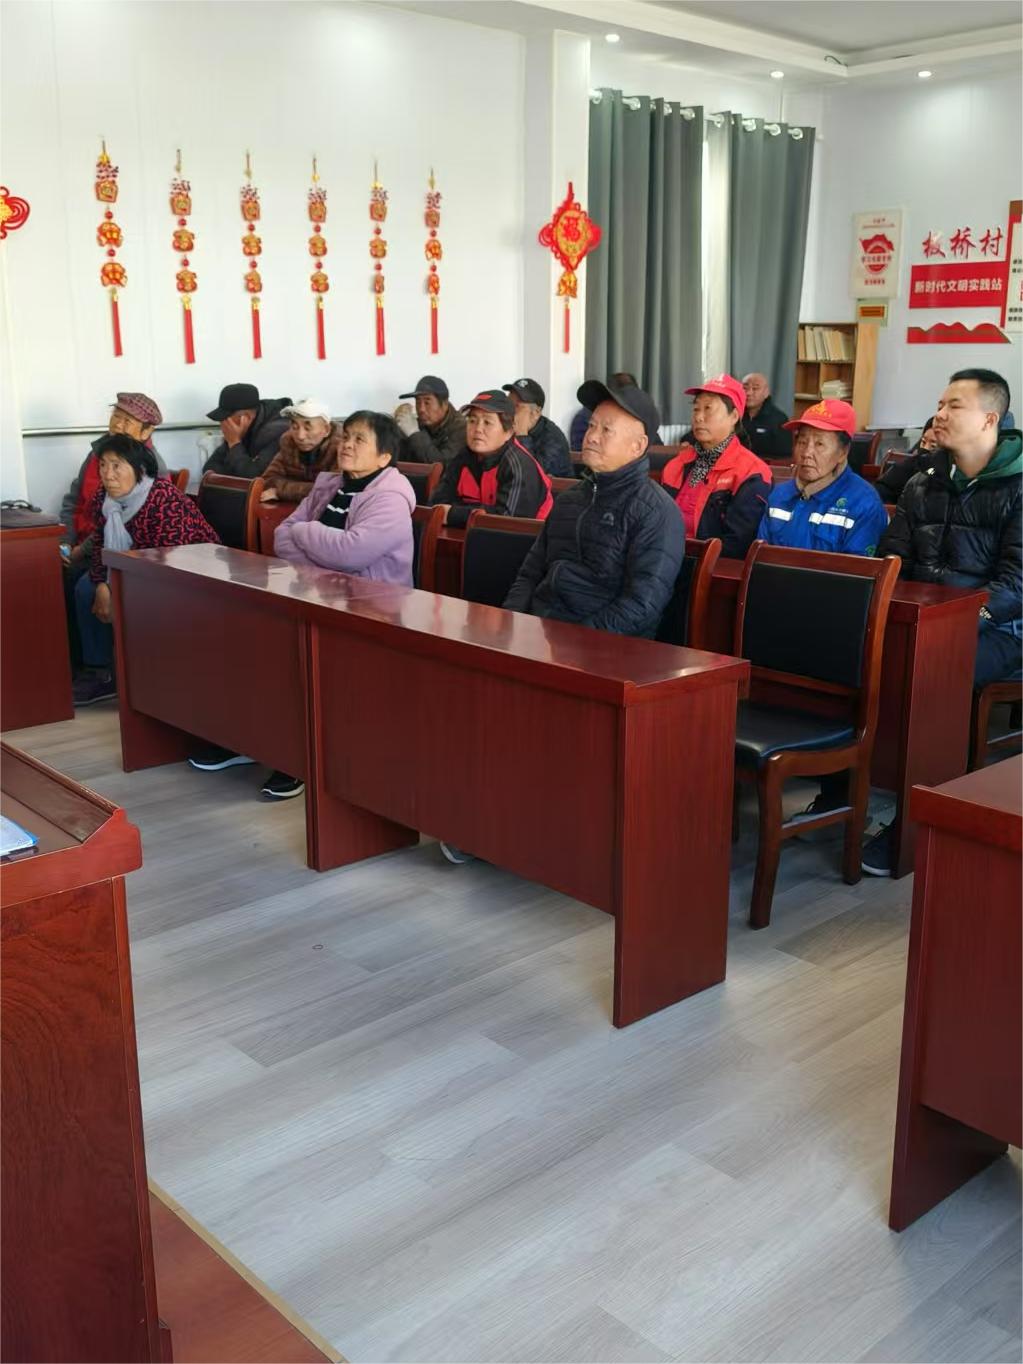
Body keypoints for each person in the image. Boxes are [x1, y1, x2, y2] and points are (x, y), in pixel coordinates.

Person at [434, 379, 682, 868]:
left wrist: (570, 645)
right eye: (592, 426)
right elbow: (531, 572)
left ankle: (514, 826)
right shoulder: (572, 501)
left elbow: (642, 606)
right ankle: (483, 815)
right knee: (467, 679)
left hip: (611, 652)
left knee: (527, 707)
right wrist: (512, 626)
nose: (592, 435)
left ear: (638, 446)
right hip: (549, 635)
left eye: (606, 430)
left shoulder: (657, 513)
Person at [189, 413, 415, 803]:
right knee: (248, 639)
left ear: (384, 457)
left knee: (294, 656)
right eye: (347, 436)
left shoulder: (391, 498)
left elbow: (351, 552)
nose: (347, 445)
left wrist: (307, 532)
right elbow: (282, 538)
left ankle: (296, 759)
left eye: (360, 440)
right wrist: (320, 549)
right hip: (316, 595)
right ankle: (249, 740)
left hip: (370, 609)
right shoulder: (330, 485)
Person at [861, 368, 1021, 875]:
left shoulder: (1018, 487)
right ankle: (843, 790)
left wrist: (960, 623)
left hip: (1000, 627)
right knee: (851, 656)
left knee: (935, 675)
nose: (940, 415)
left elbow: (1016, 584)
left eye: (954, 405)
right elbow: (893, 560)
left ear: (989, 418)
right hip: (923, 619)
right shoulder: (922, 481)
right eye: (939, 404)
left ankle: (915, 820)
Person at [73, 434, 219, 706]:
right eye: (103, 465)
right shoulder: (104, 499)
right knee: (85, 588)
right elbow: (100, 544)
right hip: (129, 567)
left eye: (117, 466)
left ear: (139, 469)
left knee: (136, 598)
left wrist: (115, 586)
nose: (108, 474)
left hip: (186, 572)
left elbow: (167, 560)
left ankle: (148, 675)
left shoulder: (162, 499)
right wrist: (103, 585)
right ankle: (101, 672)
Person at [60, 392, 168, 668]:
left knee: (86, 588)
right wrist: (64, 542)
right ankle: (71, 664)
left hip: (125, 553)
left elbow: (121, 525)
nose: (118, 425)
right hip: (87, 546)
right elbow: (73, 501)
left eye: (127, 421)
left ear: (146, 431)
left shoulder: (149, 465)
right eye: (116, 417)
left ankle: (101, 670)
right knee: (48, 575)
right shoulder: (98, 454)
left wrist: (79, 552)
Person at [661, 374, 771, 558]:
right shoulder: (677, 464)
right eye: (696, 409)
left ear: (734, 416)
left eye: (708, 409)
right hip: (665, 557)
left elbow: (737, 544)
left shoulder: (751, 472)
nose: (698, 417)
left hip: (711, 565)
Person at [759, 399, 889, 554]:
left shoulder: (864, 503)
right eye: (802, 442)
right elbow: (759, 557)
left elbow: (856, 568)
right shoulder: (779, 495)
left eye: (819, 444)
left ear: (843, 452)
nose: (807, 453)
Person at [428, 388, 553, 528]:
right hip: (468, 537)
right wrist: (478, 512)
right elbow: (436, 505)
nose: (478, 429)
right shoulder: (463, 457)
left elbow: (506, 521)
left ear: (509, 431)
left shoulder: (520, 466)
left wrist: (454, 513)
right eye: (472, 421)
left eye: (487, 422)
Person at [260, 399, 342, 504]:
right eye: (295, 427)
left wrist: (283, 492)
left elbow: (331, 490)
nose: (300, 436)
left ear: (326, 430)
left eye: (307, 428)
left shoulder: (342, 449)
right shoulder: (289, 444)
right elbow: (268, 480)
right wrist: (305, 490)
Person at [202, 383, 291, 479]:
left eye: (226, 419)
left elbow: (255, 478)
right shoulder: (243, 428)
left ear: (246, 417)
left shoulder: (278, 431)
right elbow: (209, 469)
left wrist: (234, 443)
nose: (223, 424)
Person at [502, 377, 572, 477]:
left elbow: (530, 474)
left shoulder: (553, 438)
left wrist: (522, 435)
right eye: (508, 404)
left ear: (535, 413)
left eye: (517, 406)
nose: (509, 410)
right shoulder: (505, 426)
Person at [394, 375, 466, 465]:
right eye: (418, 402)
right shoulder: (417, 423)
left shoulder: (461, 428)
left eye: (427, 402)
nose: (421, 409)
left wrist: (414, 433)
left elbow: (440, 464)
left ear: (445, 404)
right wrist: (397, 429)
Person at [874, 416, 939, 504]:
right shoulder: (905, 468)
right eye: (923, 442)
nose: (925, 448)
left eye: (933, 446)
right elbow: (878, 494)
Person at [569, 370, 639, 451]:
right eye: (592, 425)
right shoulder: (585, 417)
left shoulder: (640, 417)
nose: (592, 437)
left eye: (606, 429)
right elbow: (581, 453)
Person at [739, 373, 792, 461]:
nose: (748, 393)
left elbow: (784, 456)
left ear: (766, 393)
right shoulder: (734, 414)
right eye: (745, 388)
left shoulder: (779, 419)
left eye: (755, 388)